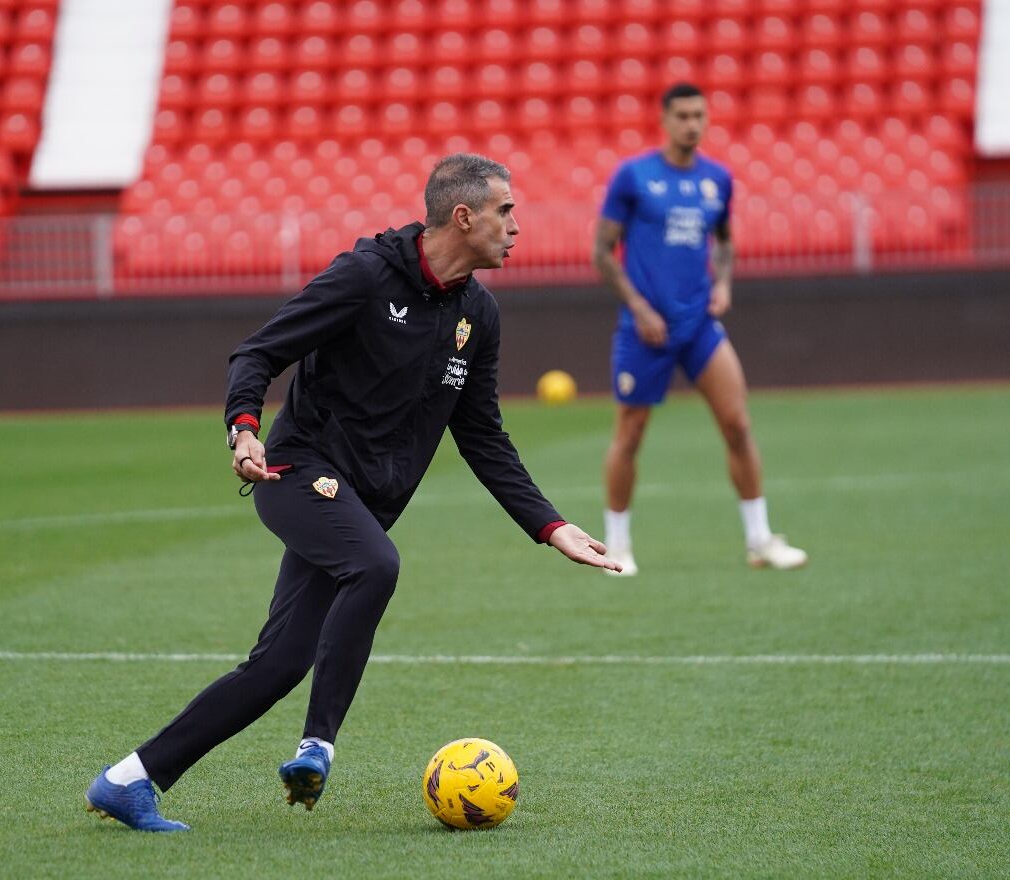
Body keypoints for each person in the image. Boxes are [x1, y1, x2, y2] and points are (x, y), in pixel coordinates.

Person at [86, 154, 621, 832]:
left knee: (276, 666)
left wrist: (552, 527)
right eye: (505, 211)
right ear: (464, 216)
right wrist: (243, 430)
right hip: (296, 471)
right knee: (376, 565)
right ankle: (317, 746)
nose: (516, 226)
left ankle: (128, 781)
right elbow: (258, 353)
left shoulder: (477, 315)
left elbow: (483, 436)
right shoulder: (366, 276)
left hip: (359, 506)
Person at [593, 82, 808, 576]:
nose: (692, 124)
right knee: (630, 434)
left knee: (738, 425)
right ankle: (616, 547)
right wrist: (640, 309)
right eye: (683, 115)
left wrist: (725, 283)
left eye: (699, 116)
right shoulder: (634, 177)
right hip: (645, 330)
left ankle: (760, 540)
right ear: (665, 120)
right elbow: (602, 252)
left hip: (699, 326)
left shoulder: (718, 180)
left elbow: (726, 241)